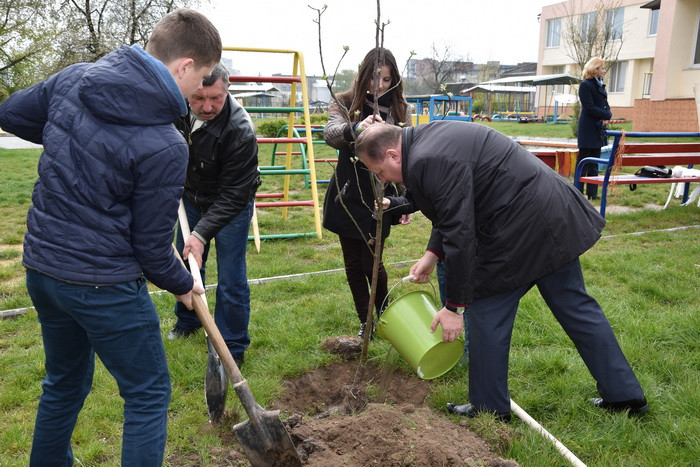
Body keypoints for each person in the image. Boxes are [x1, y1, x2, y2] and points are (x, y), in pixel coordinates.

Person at [0, 9, 220, 465]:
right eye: (199, 78)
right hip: (102, 283)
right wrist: (183, 285)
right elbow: (150, 249)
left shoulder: (74, 80)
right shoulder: (164, 143)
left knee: (64, 382)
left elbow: (11, 114)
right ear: (182, 66)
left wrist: (72, 139)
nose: (197, 90)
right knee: (147, 391)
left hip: (42, 268)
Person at [355, 121, 648, 422]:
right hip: (551, 215)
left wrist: (455, 306)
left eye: (379, 172)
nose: (384, 179)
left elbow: (459, 228)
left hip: (522, 225)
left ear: (393, 155)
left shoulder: (428, 158)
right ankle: (624, 394)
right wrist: (433, 254)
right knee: (576, 307)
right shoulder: (427, 139)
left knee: (485, 308)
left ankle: (489, 406)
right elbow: (446, 200)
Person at [168, 63, 261, 368]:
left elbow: (234, 194)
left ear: (227, 90)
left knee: (231, 275)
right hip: (191, 196)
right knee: (189, 262)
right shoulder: (175, 107)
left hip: (231, 203)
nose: (207, 107)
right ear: (189, 90)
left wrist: (201, 233)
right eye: (199, 98)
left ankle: (231, 346)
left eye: (216, 99)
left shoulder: (240, 131)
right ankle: (188, 321)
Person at [323, 47, 412, 338]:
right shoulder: (345, 102)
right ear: (363, 75)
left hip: (380, 195)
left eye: (387, 79)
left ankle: (385, 316)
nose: (380, 86)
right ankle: (367, 322)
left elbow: (408, 155)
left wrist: (404, 200)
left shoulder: (401, 109)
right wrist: (358, 127)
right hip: (347, 193)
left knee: (372, 260)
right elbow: (330, 134)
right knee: (352, 262)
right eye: (375, 78)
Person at [577, 57, 612, 200]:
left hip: (598, 129)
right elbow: (589, 107)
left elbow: (605, 105)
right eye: (603, 68)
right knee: (584, 162)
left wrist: (607, 114)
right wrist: (606, 114)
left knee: (594, 163)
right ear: (595, 69)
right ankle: (577, 192)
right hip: (588, 128)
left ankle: (592, 193)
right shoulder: (585, 85)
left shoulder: (600, 85)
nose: (604, 70)